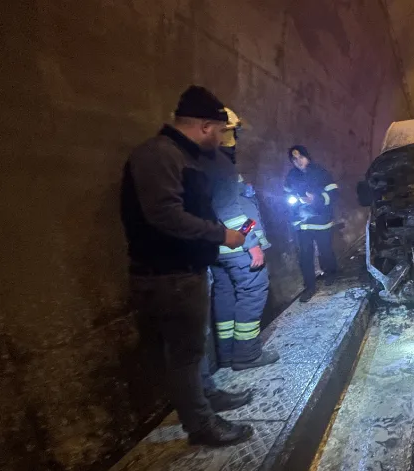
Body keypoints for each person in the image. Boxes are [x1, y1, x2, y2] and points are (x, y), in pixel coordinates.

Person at [120, 86, 254, 447]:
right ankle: (200, 426)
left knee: (195, 346)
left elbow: (211, 191)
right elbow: (165, 215)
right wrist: (220, 235)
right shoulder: (159, 155)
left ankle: (206, 397)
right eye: (222, 132)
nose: (224, 140)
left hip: (187, 270)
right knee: (184, 354)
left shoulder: (185, 156)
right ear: (207, 126)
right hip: (167, 274)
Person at [203, 107, 280, 370]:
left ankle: (226, 354)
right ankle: (247, 354)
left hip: (215, 248)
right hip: (237, 247)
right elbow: (232, 213)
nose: (235, 139)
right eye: (233, 133)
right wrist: (253, 244)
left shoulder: (199, 163)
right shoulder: (220, 164)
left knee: (225, 294)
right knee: (252, 291)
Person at [285, 145, 339, 302]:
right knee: (305, 255)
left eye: (301, 157)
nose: (298, 162)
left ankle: (331, 273)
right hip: (302, 223)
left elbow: (333, 194)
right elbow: (286, 195)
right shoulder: (291, 176)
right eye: (294, 159)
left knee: (325, 250)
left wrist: (315, 200)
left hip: (321, 221)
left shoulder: (321, 172)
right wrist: (292, 204)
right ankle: (310, 286)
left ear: (307, 157)